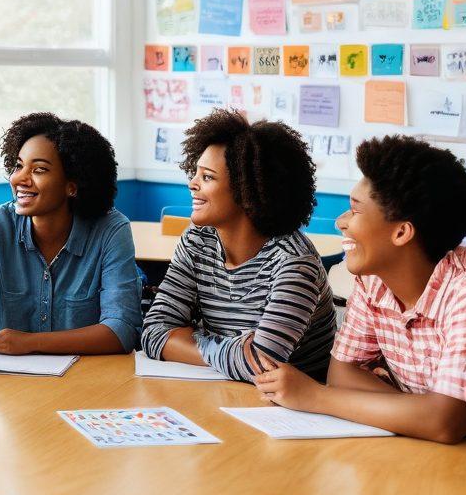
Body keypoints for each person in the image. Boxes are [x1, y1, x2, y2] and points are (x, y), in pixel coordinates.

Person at [254, 135, 466, 443]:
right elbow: (342, 377)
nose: (340, 222)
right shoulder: (373, 281)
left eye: (355, 211)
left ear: (401, 232)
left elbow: (445, 424)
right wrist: (423, 411)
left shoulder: (463, 292)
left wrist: (314, 396)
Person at [0, 112, 142, 359]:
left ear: (73, 185)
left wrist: (30, 342)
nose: (19, 178)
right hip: (14, 386)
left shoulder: (110, 230)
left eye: (39, 169)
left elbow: (121, 331)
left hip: (88, 384)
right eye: (18, 165)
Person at [141, 109, 335, 382]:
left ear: (247, 191)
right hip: (223, 393)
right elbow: (153, 332)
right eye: (196, 174)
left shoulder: (294, 261)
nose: (192, 184)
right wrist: (229, 349)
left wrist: (193, 339)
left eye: (207, 177)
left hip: (292, 412)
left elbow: (262, 363)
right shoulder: (197, 241)